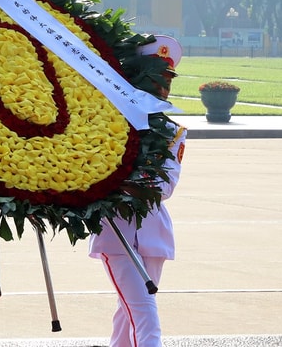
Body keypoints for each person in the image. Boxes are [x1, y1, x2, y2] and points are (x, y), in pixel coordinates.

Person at [88, 35, 187, 347]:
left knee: (129, 309)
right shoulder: (108, 122)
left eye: (168, 80)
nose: (164, 87)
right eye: (157, 78)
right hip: (115, 230)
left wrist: (125, 184)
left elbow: (165, 185)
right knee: (143, 308)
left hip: (153, 233)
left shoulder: (172, 132)